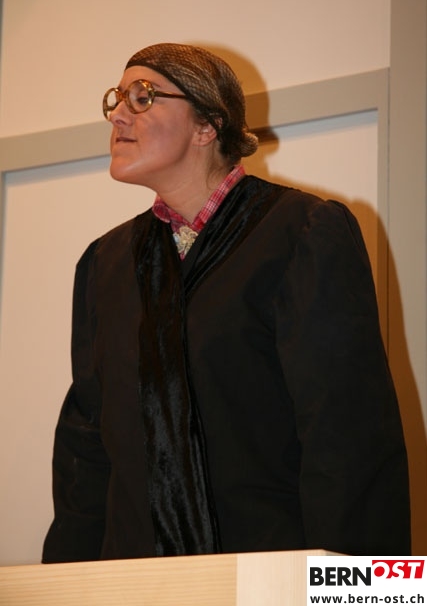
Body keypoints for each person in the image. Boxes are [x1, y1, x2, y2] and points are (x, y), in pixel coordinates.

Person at [42, 43, 411, 563]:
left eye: (142, 96)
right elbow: (85, 456)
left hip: (271, 581)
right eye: (116, 99)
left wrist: (363, 596)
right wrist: (65, 588)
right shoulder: (105, 262)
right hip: (136, 585)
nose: (118, 114)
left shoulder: (302, 232)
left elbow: (351, 444)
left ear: (207, 125)